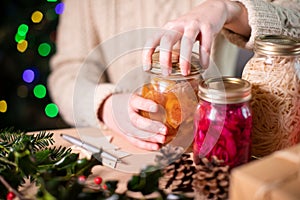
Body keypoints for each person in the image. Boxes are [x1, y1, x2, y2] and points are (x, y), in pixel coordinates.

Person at [48, 0, 300, 151]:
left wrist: (230, 9)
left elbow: (295, 18)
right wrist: (104, 104)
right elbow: (67, 72)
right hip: (122, 145)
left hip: (210, 143)